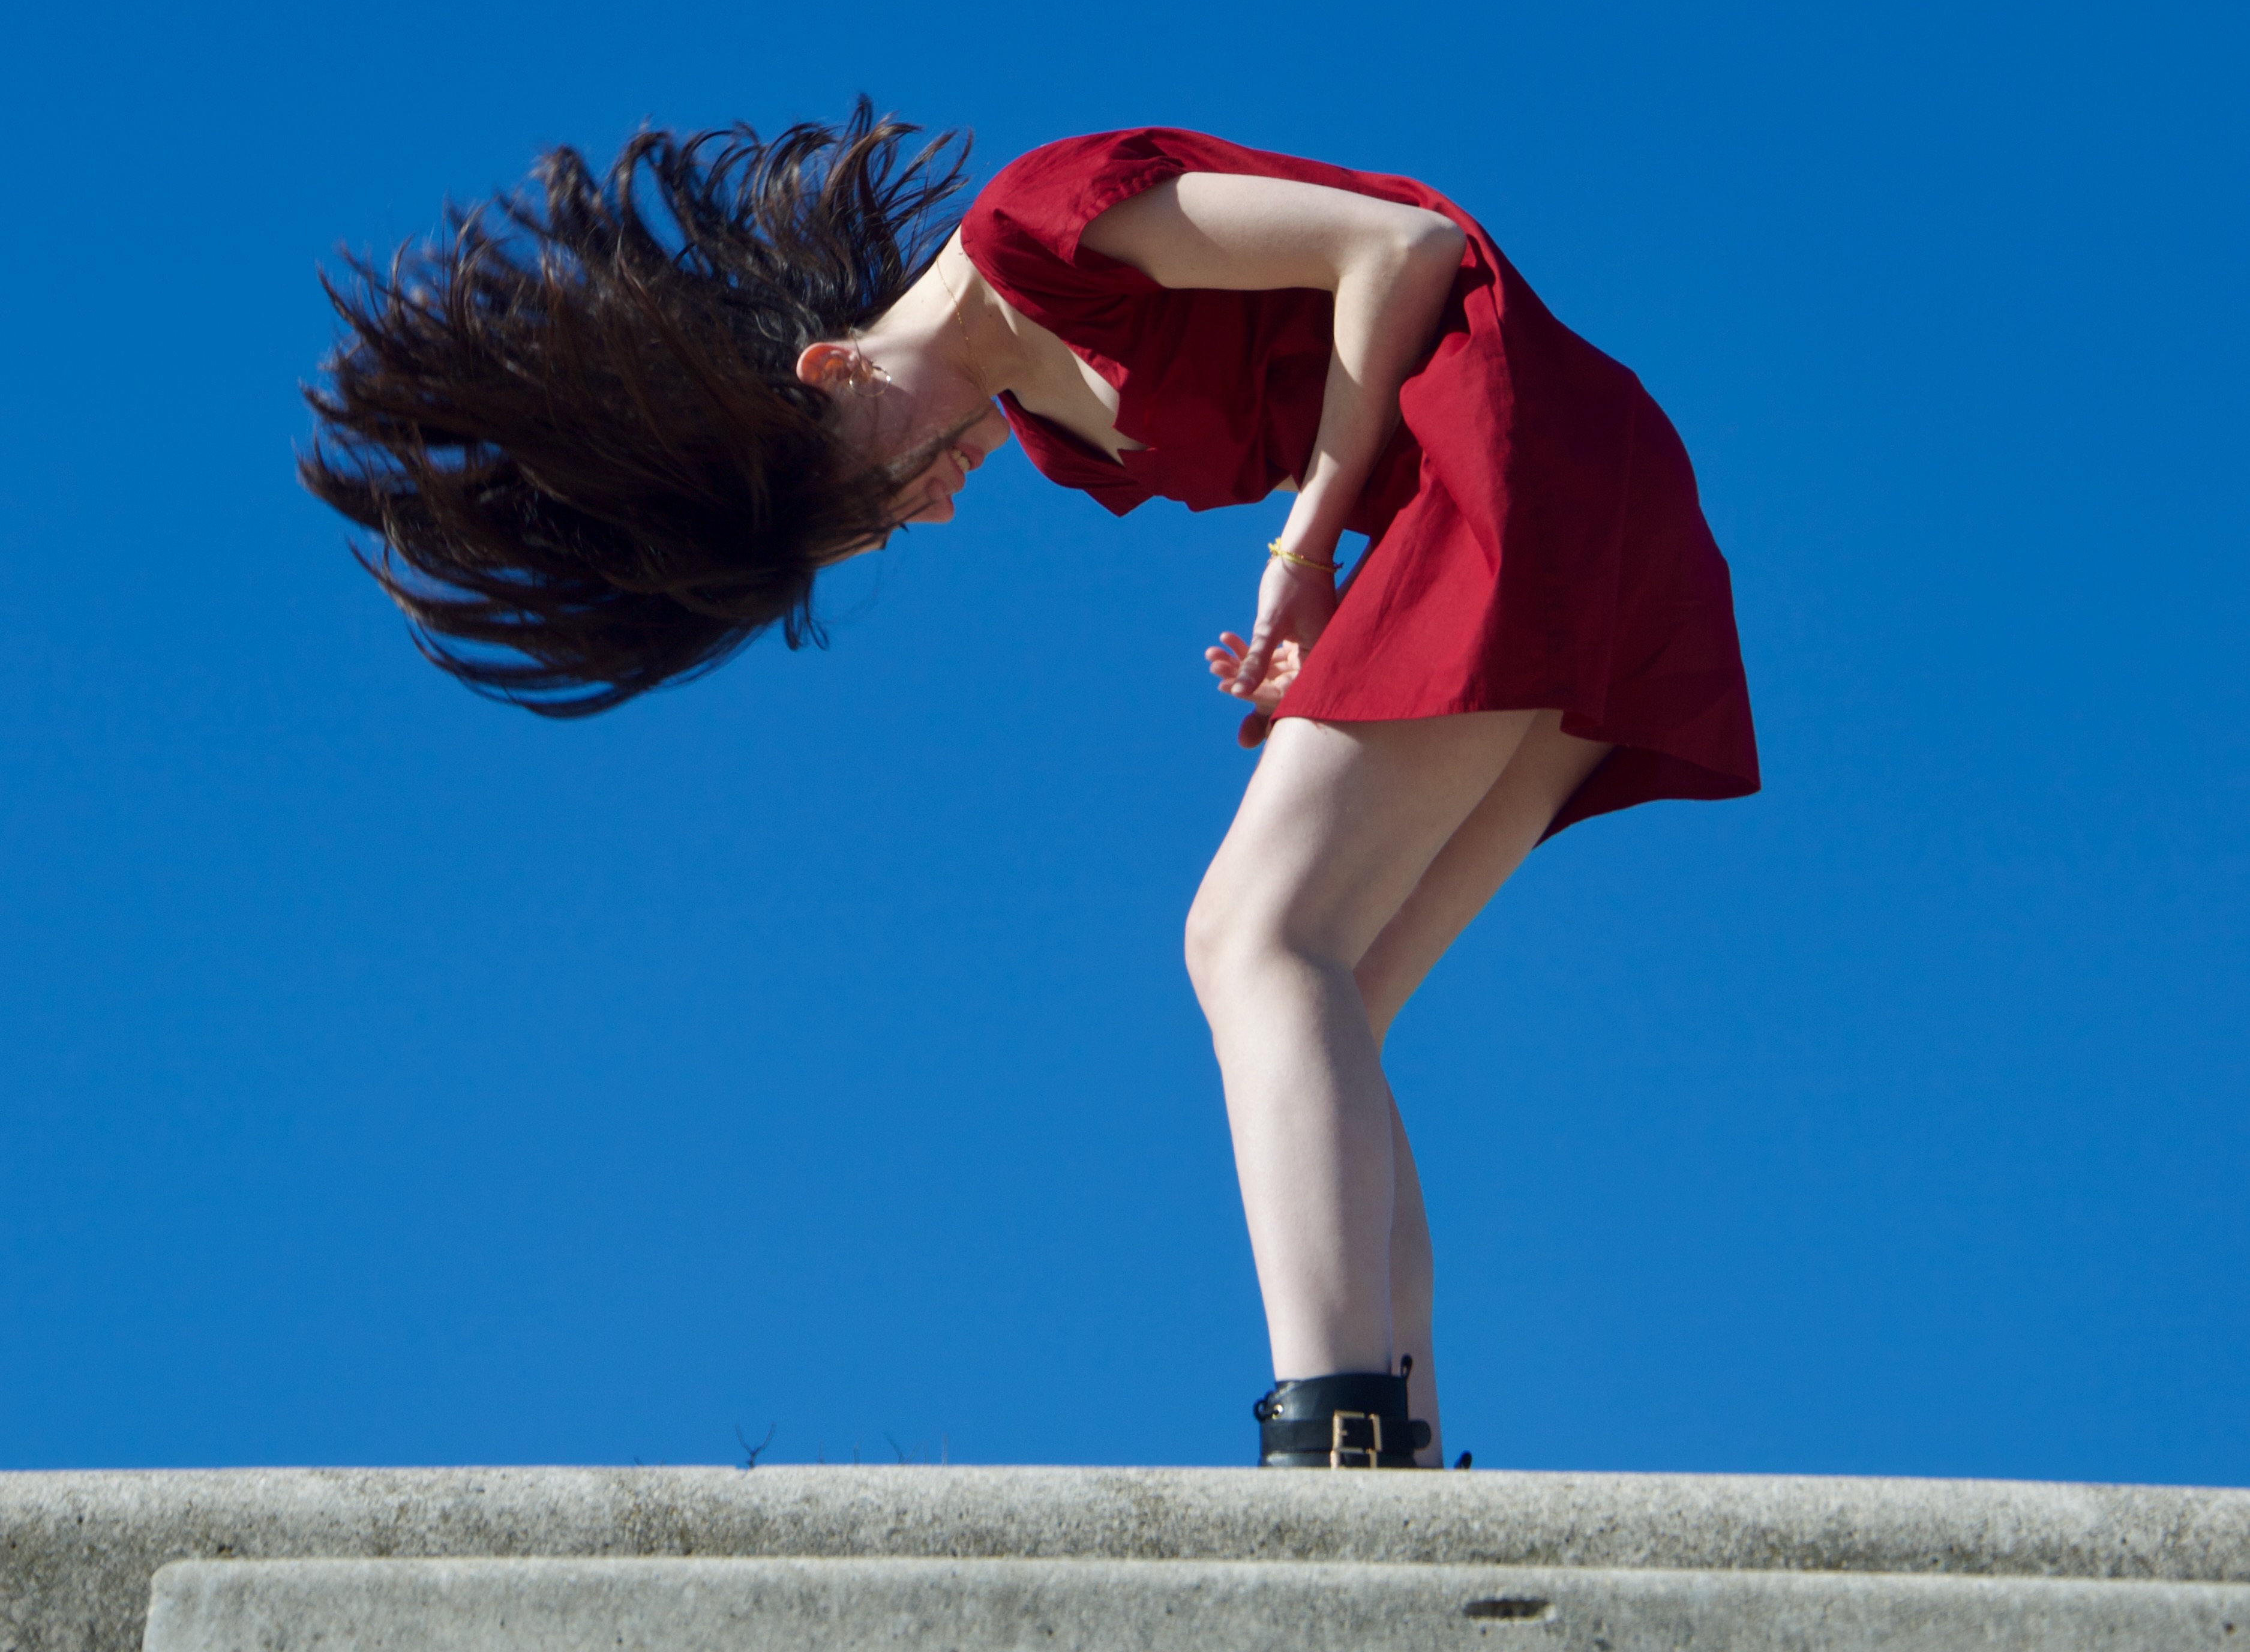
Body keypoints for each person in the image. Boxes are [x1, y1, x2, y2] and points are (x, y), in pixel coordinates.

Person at [302, 107, 1758, 1470]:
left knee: (1251, 942)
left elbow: (1408, 249)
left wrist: (1303, 551)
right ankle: (1408, 1449)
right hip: (1575, 499)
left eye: (885, 493)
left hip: (1531, 465)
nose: (928, 508)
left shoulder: (1040, 224)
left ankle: (1337, 1443)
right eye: (891, 528)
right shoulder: (1058, 430)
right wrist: (1323, 626)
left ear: (836, 367)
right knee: (1337, 992)